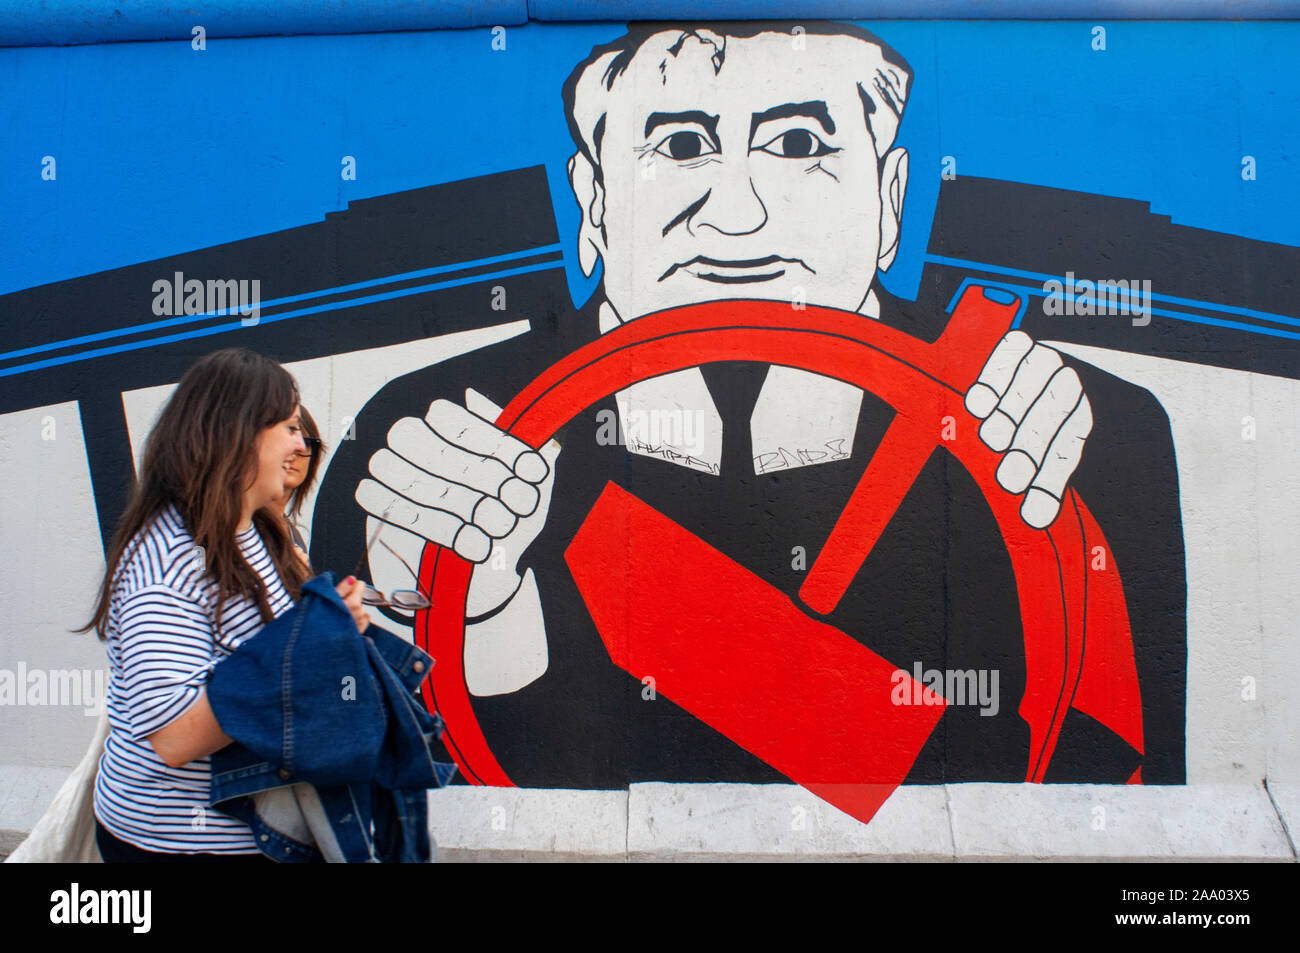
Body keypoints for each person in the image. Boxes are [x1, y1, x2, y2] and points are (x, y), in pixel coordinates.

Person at [312, 22, 1185, 791]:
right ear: (594, 199)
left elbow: (1115, 808)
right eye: (683, 145)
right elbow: (388, 788)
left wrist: (1067, 514)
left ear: (888, 198)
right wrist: (475, 609)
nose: (737, 214)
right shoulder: (431, 438)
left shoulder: (1073, 432)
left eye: (800, 143)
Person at [81, 348, 370, 861]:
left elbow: (273, 650)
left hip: (260, 829)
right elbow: (174, 736)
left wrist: (331, 625)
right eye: (286, 427)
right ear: (235, 436)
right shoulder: (167, 563)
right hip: (179, 844)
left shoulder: (254, 527)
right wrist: (312, 650)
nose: (300, 442)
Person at [270, 404, 325, 568]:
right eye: (284, 440)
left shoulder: (292, 533)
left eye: (306, 443)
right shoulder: (243, 527)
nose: (297, 451)